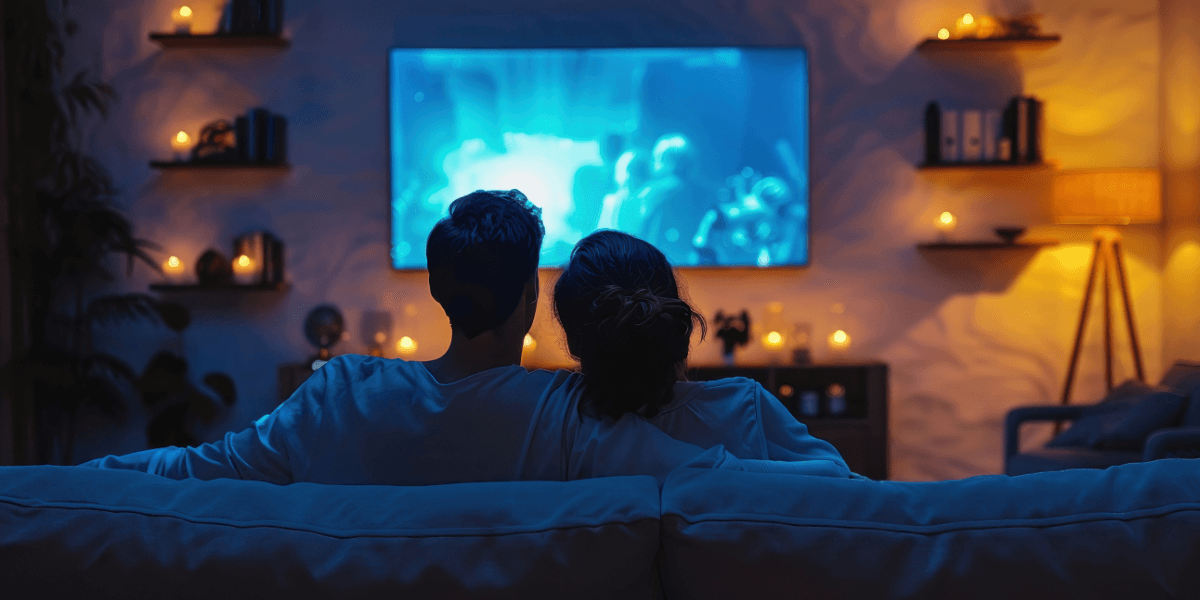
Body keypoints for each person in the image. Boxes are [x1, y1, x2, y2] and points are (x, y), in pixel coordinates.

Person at [81, 190, 771, 485]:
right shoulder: (574, 421)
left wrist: (77, 477)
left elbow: (200, 470)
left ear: (437, 291)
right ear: (532, 298)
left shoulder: (338, 396)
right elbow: (724, 481)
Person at [553, 229, 853, 469]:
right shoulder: (744, 409)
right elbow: (841, 484)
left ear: (574, 341)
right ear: (671, 324)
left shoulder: (551, 425)